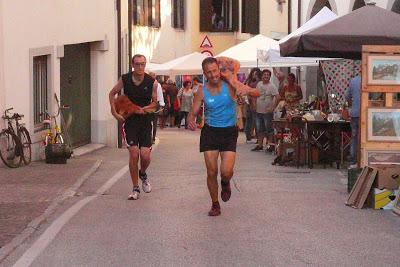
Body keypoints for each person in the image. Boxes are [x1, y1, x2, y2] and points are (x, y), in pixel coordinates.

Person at [187, 57, 260, 216]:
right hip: (210, 132)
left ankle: (225, 183)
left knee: (226, 171)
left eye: (214, 71)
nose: (213, 75)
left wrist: (245, 90)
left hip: (229, 132)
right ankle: (215, 204)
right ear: (204, 74)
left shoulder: (230, 84)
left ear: (218, 70)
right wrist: (190, 120)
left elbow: (257, 92)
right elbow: (193, 111)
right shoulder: (202, 90)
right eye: (209, 73)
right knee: (211, 171)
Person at [109, 54, 158, 200]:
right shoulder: (125, 79)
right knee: (134, 153)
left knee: (145, 156)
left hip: (145, 121)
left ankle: (142, 173)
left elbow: (156, 103)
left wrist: (146, 108)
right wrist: (114, 112)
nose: (140, 67)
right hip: (130, 122)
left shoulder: (152, 82)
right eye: (137, 64)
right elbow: (112, 94)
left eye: (143, 64)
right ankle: (135, 188)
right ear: (132, 65)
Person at [251, 69, 279, 152]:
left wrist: (273, 107)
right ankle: (260, 145)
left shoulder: (272, 86)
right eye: (264, 74)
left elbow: (278, 97)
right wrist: (254, 104)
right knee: (259, 129)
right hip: (258, 111)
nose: (266, 76)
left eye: (267, 75)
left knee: (269, 129)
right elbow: (255, 95)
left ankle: (270, 146)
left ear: (270, 77)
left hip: (267, 112)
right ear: (262, 76)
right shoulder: (259, 84)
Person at [345, 74, 361, 168]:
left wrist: (353, 105)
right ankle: (363, 159)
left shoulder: (353, 81)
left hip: (355, 113)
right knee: (364, 137)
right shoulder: (371, 80)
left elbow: (347, 96)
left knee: (354, 137)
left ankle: (353, 161)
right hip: (367, 113)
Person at [244, 68, 262, 143]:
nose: (254, 75)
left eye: (256, 74)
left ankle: (257, 138)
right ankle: (249, 137)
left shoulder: (259, 82)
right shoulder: (249, 81)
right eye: (253, 73)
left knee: (256, 121)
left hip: (257, 103)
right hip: (249, 102)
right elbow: (246, 90)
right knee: (250, 120)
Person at [149, 72, 165, 143]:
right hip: (148, 104)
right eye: (151, 76)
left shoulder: (158, 85)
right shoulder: (147, 83)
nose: (153, 77)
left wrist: (161, 105)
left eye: (154, 76)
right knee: (148, 122)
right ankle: (149, 137)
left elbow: (160, 95)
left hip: (156, 104)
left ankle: (153, 138)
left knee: (155, 122)